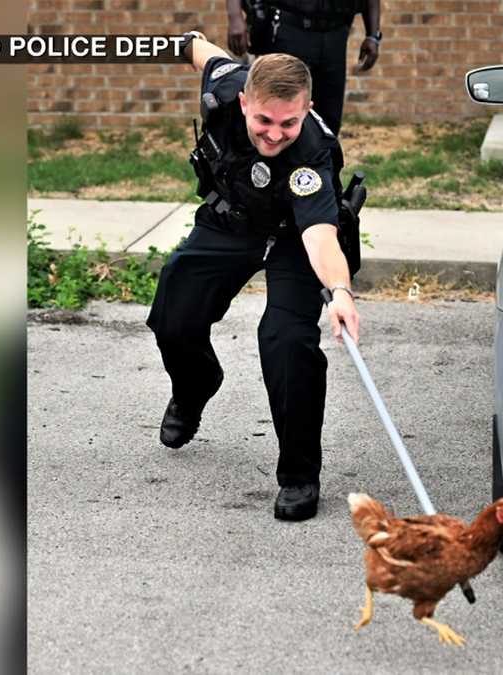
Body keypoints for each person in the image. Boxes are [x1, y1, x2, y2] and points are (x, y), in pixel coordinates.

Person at [146, 32, 360, 522]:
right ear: (244, 100)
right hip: (232, 219)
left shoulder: (311, 154)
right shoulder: (225, 85)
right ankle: (195, 386)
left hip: (294, 237)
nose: (275, 133)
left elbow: (321, 237)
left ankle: (300, 475)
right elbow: (201, 48)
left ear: (307, 108)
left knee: (287, 342)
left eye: (290, 121)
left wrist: (341, 292)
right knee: (174, 313)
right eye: (263, 119)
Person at [226, 0, 381, 136]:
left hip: (335, 33)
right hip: (289, 27)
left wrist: (373, 35)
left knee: (328, 121)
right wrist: (235, 16)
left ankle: (320, 167)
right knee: (279, 113)